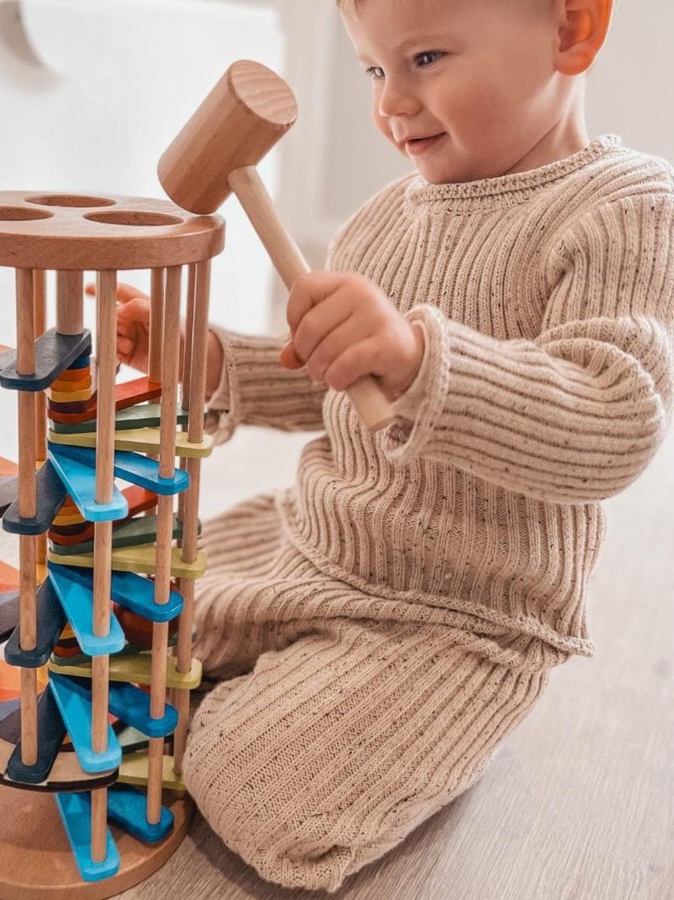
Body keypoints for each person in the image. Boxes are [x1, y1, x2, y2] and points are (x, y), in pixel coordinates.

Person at [112, 0, 674, 891]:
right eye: (375, 70)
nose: (391, 105)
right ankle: (292, 680)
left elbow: (613, 422)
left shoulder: (621, 209)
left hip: (459, 611)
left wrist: (421, 359)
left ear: (572, 29)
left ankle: (430, 720)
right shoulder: (381, 218)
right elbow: (339, 384)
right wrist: (211, 358)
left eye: (426, 57)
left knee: (255, 788)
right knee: (116, 622)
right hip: (319, 544)